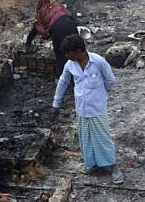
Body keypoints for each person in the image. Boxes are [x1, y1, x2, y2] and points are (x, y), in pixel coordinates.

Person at [52, 35, 123, 183]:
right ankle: (91, 164)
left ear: (78, 51)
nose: (66, 56)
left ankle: (113, 167)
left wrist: (100, 95)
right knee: (86, 138)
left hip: (97, 108)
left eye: (68, 53)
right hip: (81, 109)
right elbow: (63, 82)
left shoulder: (98, 62)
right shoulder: (70, 65)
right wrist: (56, 103)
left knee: (102, 138)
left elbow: (110, 80)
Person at [25, 0, 79, 75]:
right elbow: (71, 15)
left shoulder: (42, 11)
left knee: (61, 55)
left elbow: (36, 28)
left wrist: (28, 42)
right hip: (71, 24)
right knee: (76, 49)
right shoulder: (57, 6)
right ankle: (79, 74)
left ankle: (61, 78)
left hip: (57, 28)